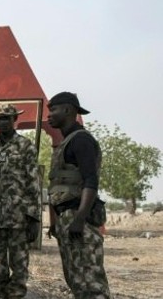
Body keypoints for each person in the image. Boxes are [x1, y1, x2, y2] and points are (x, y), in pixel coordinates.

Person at [46, 92, 111, 298]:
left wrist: (80, 218)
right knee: (76, 279)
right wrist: (56, 223)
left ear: (67, 110)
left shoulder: (81, 140)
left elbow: (90, 181)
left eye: (53, 110)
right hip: (68, 217)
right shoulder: (66, 143)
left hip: (78, 217)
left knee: (90, 281)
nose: (49, 116)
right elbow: (58, 187)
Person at [0, 104, 41, 298]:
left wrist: (34, 217)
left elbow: (33, 183)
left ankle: (15, 295)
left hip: (18, 218)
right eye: (0, 119)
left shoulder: (25, 146)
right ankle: (4, 293)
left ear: (15, 120)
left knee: (20, 265)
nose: (3, 122)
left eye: (7, 118)